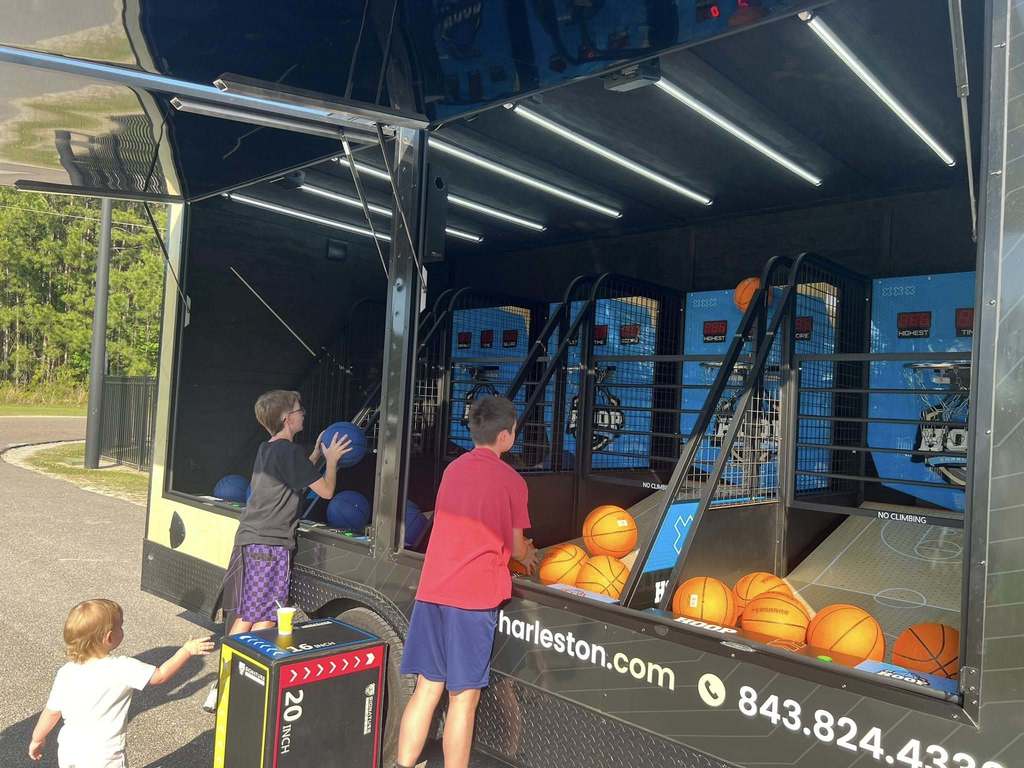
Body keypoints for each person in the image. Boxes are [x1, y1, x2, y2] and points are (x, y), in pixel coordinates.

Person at [395, 396, 538, 768]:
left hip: (433, 589)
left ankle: (402, 764)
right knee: (463, 698)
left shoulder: (453, 469)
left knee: (427, 687)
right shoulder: (512, 481)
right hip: (472, 599)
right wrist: (528, 555)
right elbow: (517, 544)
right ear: (506, 436)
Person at [202, 389, 349, 712]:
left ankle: (222, 686)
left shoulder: (268, 449)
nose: (303, 413)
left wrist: (316, 455)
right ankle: (244, 689)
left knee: (245, 615)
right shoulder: (289, 453)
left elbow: (295, 475)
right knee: (265, 619)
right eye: (299, 409)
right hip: (270, 545)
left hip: (252, 539)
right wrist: (333, 461)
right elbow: (324, 491)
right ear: (287, 418)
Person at [29, 598, 213, 768]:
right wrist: (186, 651)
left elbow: (52, 712)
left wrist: (37, 738)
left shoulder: (66, 672)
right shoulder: (123, 667)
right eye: (120, 626)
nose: (122, 629)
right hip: (104, 755)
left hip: (70, 749)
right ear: (109, 637)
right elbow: (161, 675)